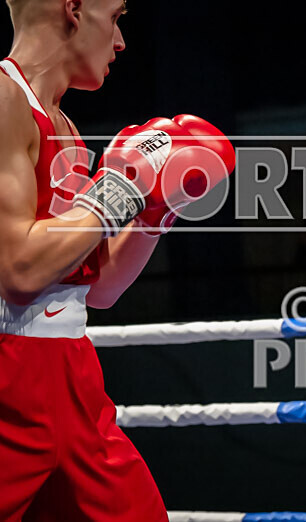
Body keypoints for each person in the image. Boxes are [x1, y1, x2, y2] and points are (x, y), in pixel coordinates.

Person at [0, 0, 234, 519]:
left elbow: (98, 287)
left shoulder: (62, 123)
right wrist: (124, 185)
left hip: (73, 379)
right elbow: (19, 270)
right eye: (118, 16)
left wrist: (156, 209)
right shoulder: (3, 102)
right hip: (9, 383)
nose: (122, 41)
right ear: (74, 9)